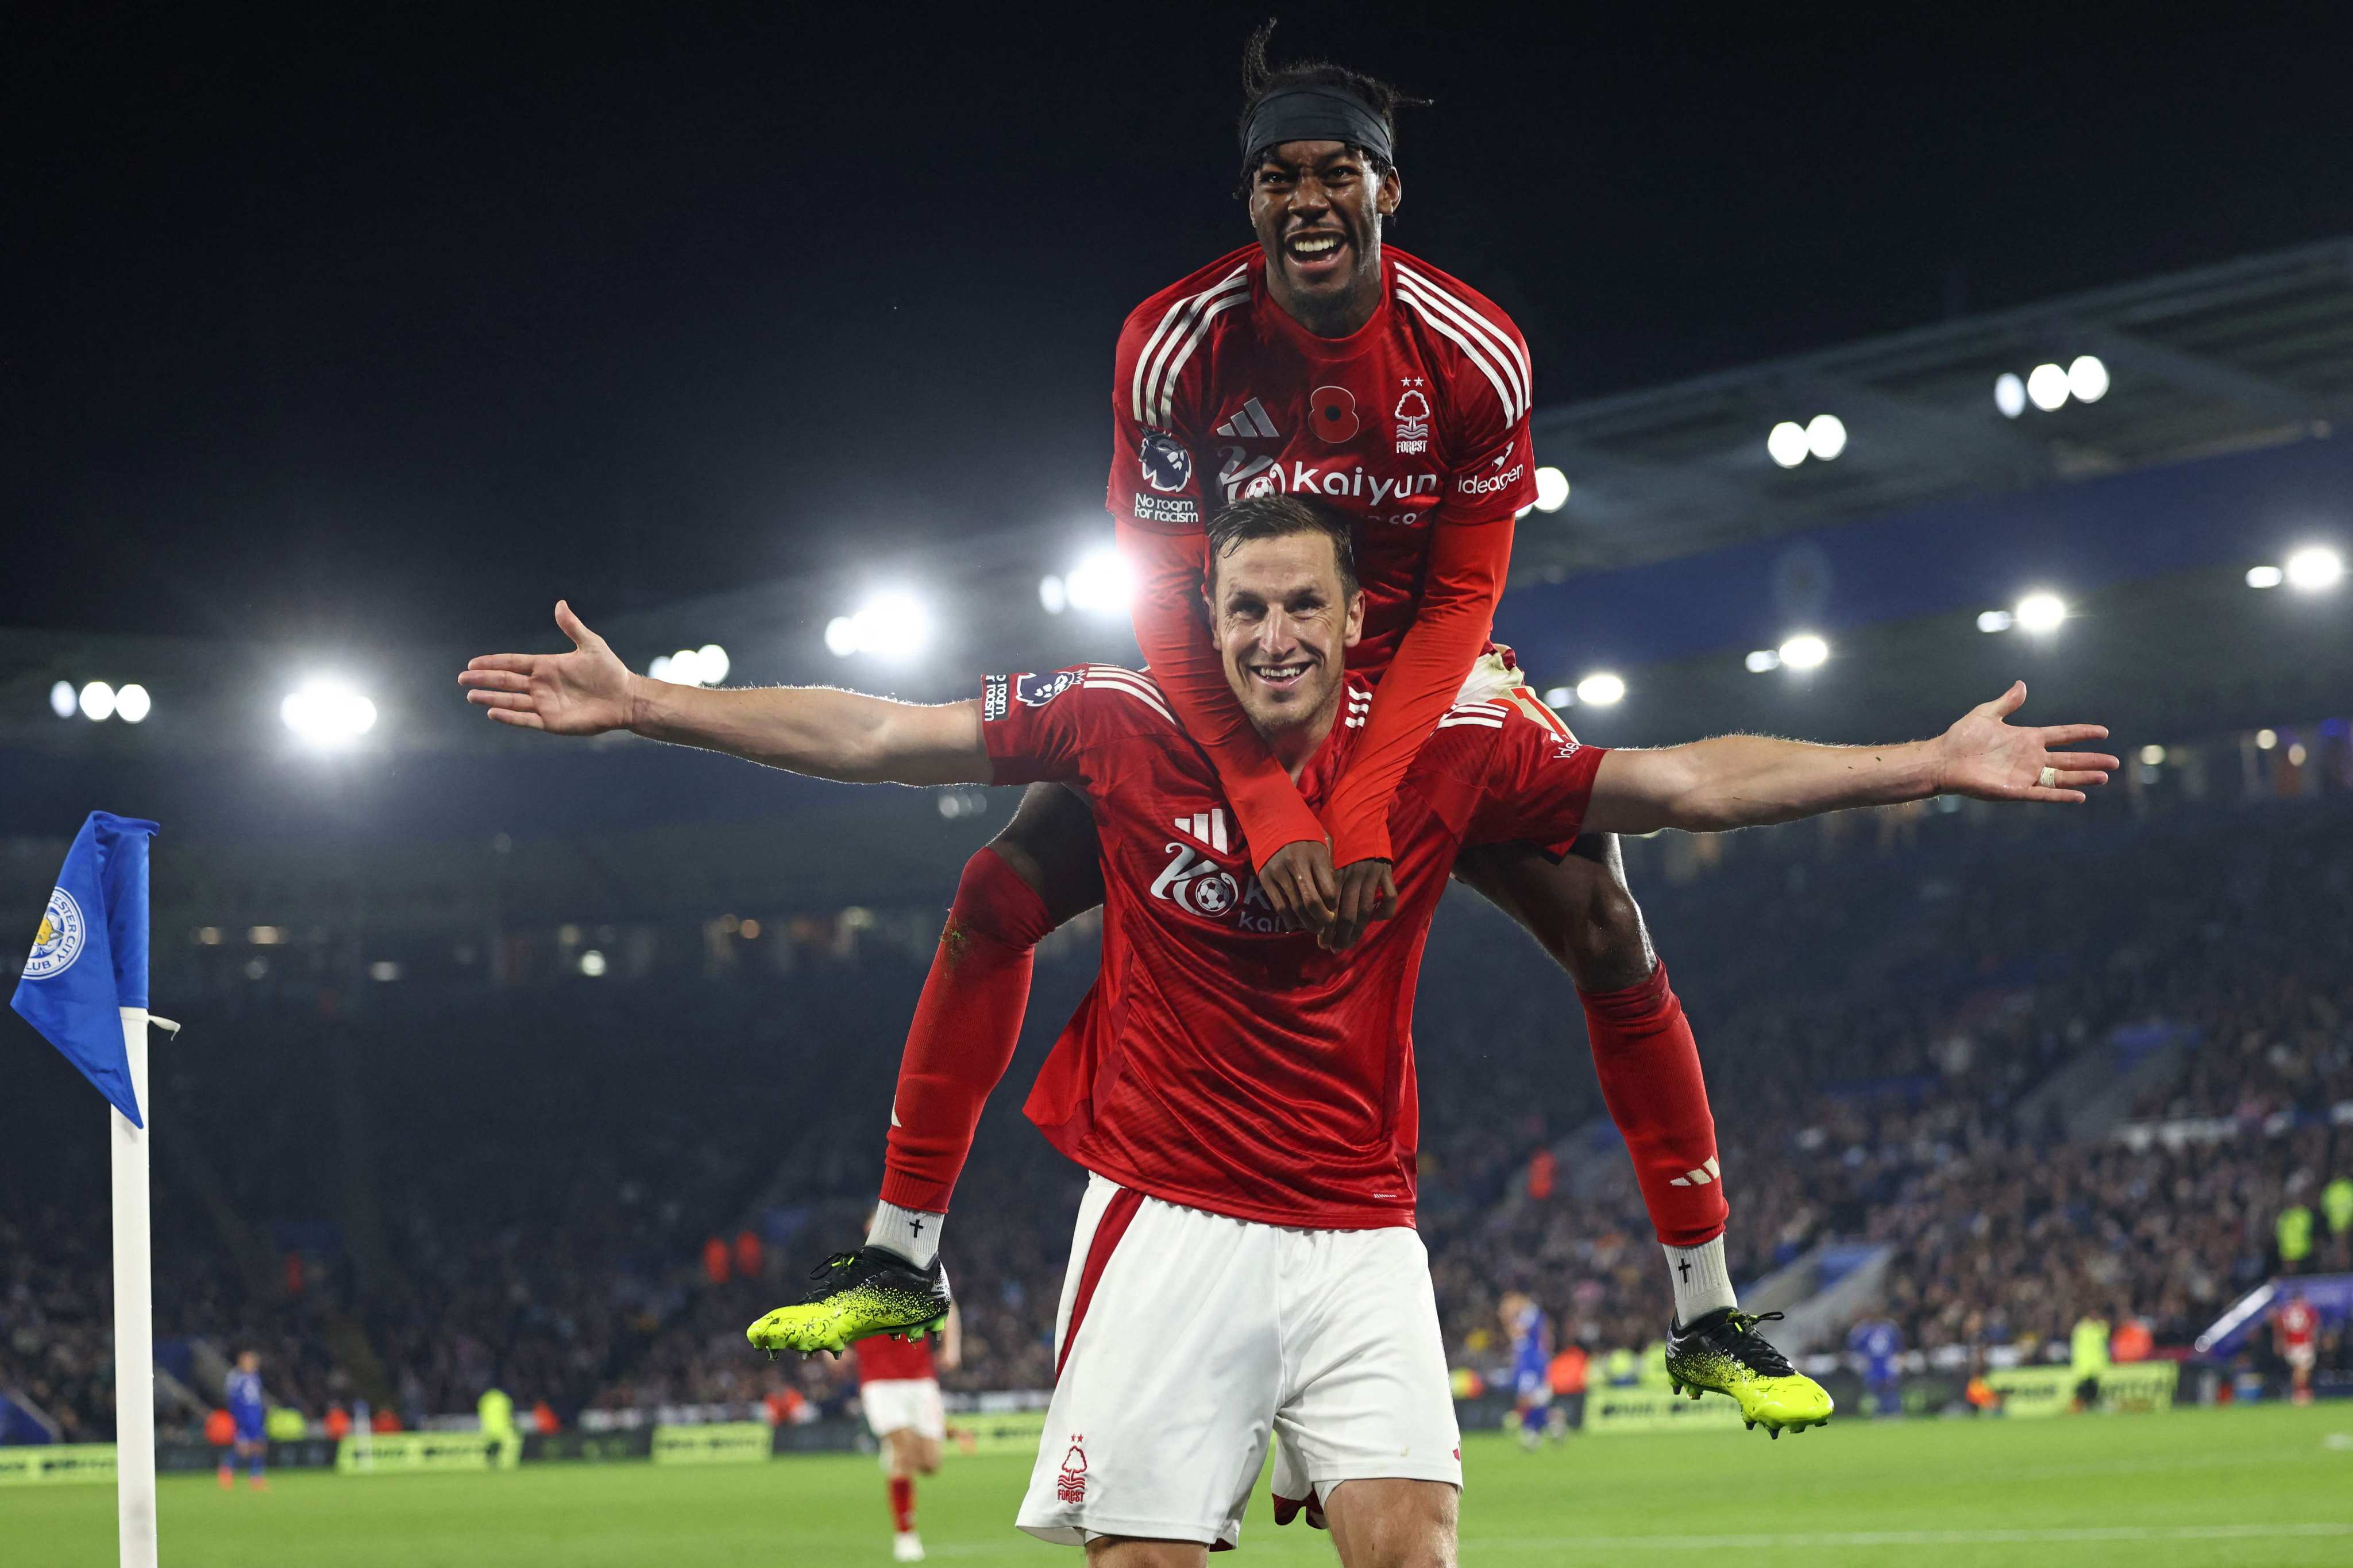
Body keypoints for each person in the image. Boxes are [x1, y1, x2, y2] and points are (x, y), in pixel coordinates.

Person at [460, 495, 2113, 1559]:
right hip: (1172, 1215)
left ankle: (1712, 1302)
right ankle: (902, 1240)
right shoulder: (1121, 722)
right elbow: (885, 733)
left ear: (1351, 623)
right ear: (1209, 616)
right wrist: (655, 704)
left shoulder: (1447, 756)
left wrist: (1924, 758)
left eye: (1298, 609)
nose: (1269, 635)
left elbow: (1684, 782)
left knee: (1414, 1549)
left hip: (1362, 1230)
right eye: (1241, 608)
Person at [815, 20, 1812, 1425]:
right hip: (1240, 661)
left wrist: (1357, 801)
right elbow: (1167, 600)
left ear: (1386, 188)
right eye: (1278, 176)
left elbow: (1463, 593)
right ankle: (905, 1253)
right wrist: (1277, 803)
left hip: (1417, 671)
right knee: (992, 890)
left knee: (1605, 925)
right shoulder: (1174, 346)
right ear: (1252, 200)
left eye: (1335, 170)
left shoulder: (1471, 356)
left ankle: (1706, 1307)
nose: (1306, 199)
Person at [856, 1293, 963, 1563]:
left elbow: (948, 1307)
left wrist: (952, 1349)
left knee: (930, 1464)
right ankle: (906, 1536)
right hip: (879, 1381)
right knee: (903, 1453)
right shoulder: (859, 1275)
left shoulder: (919, 1272)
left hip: (921, 1380)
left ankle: (894, 1452)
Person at [1498, 1292, 1559, 1449]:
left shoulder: (1529, 1313)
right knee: (1534, 1397)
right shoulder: (1528, 1314)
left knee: (1526, 1398)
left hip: (1531, 1362)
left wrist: (1508, 1319)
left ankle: (1534, 1431)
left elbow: (1518, 1332)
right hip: (1526, 1361)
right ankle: (1552, 1426)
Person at [223, 1350, 267, 1491]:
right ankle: (227, 1468)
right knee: (243, 1449)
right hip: (243, 1418)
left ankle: (255, 1476)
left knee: (259, 1446)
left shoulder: (255, 1377)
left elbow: (256, 1400)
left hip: (255, 1417)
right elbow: (234, 1400)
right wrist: (238, 1419)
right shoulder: (236, 1378)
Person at [1846, 1315, 1903, 1418]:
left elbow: (1898, 1345)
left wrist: (1897, 1359)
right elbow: (1854, 1345)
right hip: (1873, 1365)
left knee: (1890, 1387)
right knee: (1877, 1388)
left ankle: (1894, 1411)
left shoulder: (1889, 1329)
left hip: (1886, 1364)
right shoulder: (1865, 1331)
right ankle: (1881, 1412)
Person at [2273, 1288, 2320, 1407]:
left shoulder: (2286, 1311)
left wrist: (2279, 1343)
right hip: (2304, 1343)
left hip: (2291, 1344)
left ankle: (2300, 1392)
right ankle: (2300, 1393)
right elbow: (2314, 1326)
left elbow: (2280, 1329)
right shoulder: (2307, 1309)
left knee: (2299, 1369)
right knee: (2302, 1369)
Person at [2069, 1312, 2110, 1413]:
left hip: (2094, 1366)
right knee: (2085, 1389)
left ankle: (2087, 1407)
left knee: (2092, 1389)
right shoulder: (2082, 1329)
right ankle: (2080, 1407)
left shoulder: (2095, 1328)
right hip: (2085, 1366)